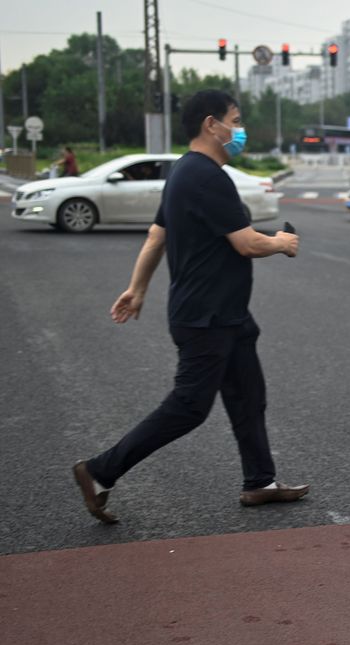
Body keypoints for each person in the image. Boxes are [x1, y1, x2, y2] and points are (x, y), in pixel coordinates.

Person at [71, 89, 307, 524]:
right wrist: (281, 243)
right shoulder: (207, 177)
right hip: (206, 318)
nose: (240, 130)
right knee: (189, 407)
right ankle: (100, 472)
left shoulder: (183, 170)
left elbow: (156, 236)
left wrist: (137, 288)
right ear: (211, 125)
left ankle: (260, 481)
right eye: (236, 121)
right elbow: (246, 243)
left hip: (227, 315)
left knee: (248, 398)